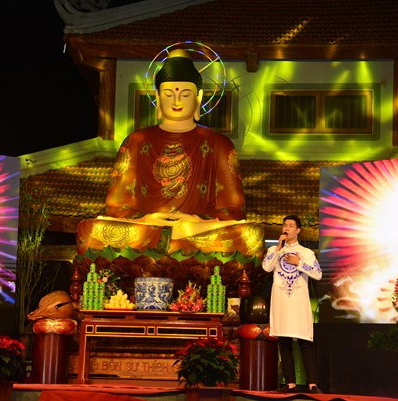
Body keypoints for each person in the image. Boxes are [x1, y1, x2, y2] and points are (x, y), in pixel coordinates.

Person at [76, 49, 264, 260]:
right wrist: (148, 219)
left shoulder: (219, 144)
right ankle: (167, 241)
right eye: (168, 94)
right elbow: (116, 207)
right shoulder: (136, 141)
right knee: (91, 230)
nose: (177, 102)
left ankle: (168, 242)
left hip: (194, 230)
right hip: (147, 228)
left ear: (198, 97)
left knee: (250, 235)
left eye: (185, 94)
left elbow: (233, 209)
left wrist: (195, 221)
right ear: (157, 98)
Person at [262, 215, 323, 394]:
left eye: (291, 225)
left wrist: (299, 263)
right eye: (285, 225)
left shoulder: (306, 253)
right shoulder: (274, 249)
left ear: (298, 230)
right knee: (284, 342)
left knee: (305, 341)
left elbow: (318, 274)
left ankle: (312, 384)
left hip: (298, 302)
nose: (287, 228)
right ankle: (290, 384)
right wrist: (278, 248)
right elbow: (266, 267)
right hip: (281, 302)